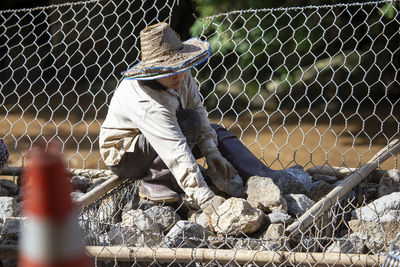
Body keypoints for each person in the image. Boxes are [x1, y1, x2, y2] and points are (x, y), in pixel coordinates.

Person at [99, 22, 235, 212]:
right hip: (125, 156)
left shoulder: (180, 72)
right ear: (153, 71)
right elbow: (174, 148)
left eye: (179, 66)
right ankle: (154, 181)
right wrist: (206, 200)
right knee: (188, 121)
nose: (177, 75)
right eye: (169, 70)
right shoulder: (146, 101)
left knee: (201, 123)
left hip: (164, 139)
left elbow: (197, 108)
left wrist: (212, 152)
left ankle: (176, 178)